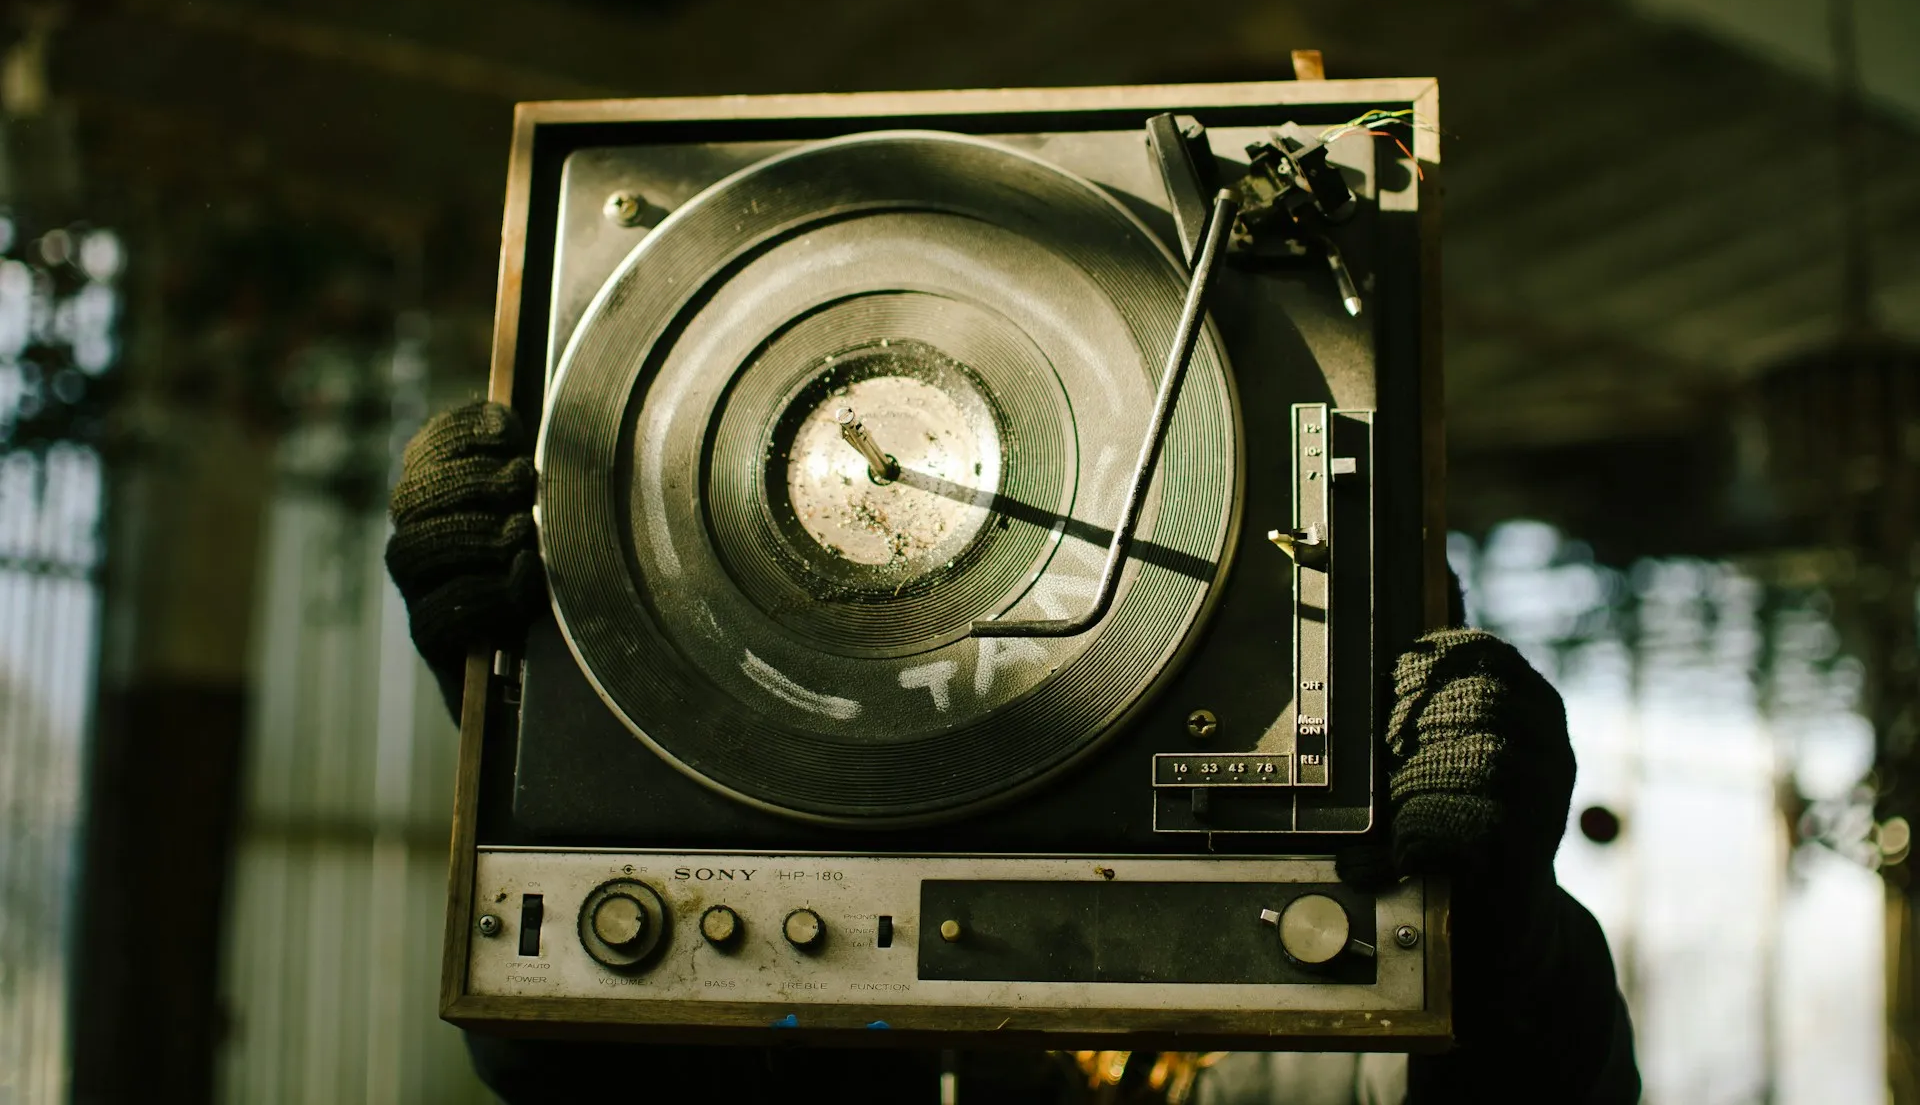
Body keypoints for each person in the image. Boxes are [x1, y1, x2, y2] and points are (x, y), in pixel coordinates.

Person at [386, 402, 1641, 1104]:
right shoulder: (842, 835)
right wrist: (540, 742)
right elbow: (599, 1083)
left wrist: (1510, 962)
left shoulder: (1351, 989)